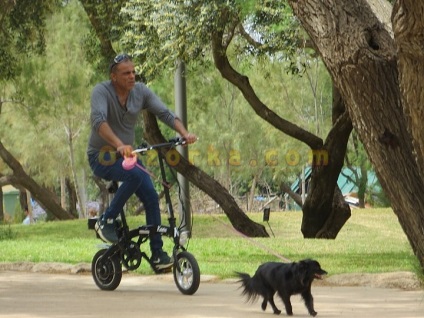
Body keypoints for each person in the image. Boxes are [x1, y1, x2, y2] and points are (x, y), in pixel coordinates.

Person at [87, 53, 197, 270]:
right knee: (137, 175)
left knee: (150, 196)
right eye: (126, 73)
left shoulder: (140, 92)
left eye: (133, 72)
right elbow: (98, 121)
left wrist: (184, 133)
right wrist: (119, 144)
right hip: (102, 157)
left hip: (127, 157)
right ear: (113, 76)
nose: (132, 76)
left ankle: (157, 255)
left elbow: (165, 113)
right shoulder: (101, 92)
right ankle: (106, 220)